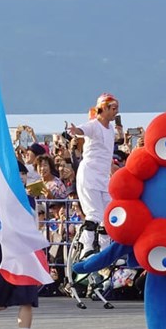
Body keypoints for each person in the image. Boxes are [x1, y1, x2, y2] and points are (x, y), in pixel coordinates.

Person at [0, 161, 40, 329]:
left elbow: (35, 227)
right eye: (17, 173)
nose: (21, 177)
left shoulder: (31, 201)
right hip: (4, 252)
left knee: (27, 298)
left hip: (26, 254)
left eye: (23, 173)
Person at [67, 93, 119, 254]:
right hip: (89, 174)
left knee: (108, 215)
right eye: (113, 108)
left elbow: (106, 153)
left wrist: (112, 170)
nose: (116, 112)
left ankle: (105, 248)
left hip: (103, 178)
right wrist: (76, 130)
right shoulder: (94, 125)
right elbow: (83, 130)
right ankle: (86, 247)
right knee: (94, 213)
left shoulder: (110, 128)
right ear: (103, 108)